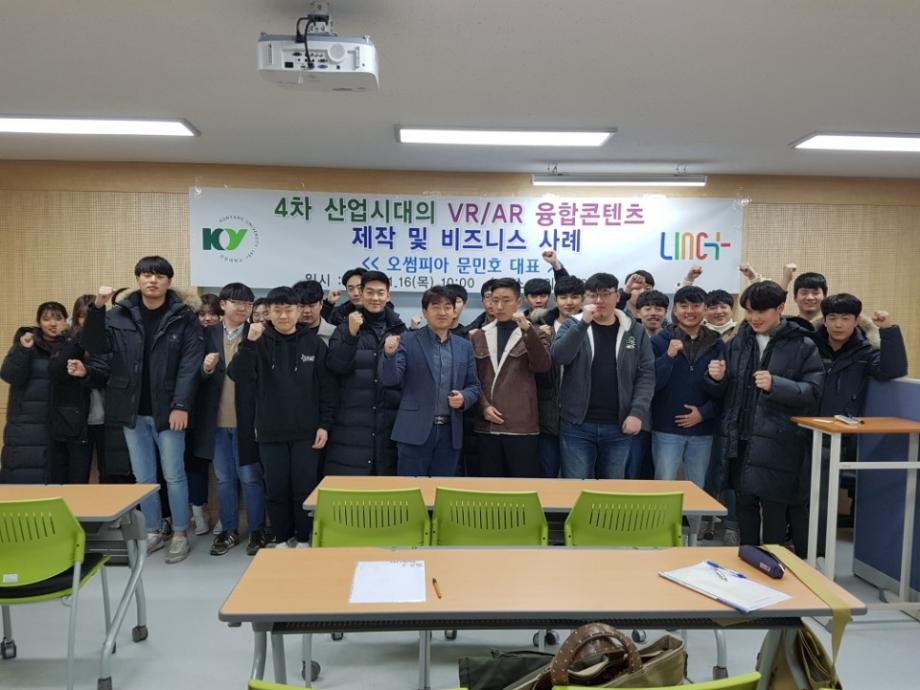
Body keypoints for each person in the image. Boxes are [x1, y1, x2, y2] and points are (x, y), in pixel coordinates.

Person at [81, 256, 204, 563]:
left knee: (174, 475)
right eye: (147, 275)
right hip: (132, 410)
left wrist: (181, 405)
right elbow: (94, 345)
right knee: (143, 476)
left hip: (169, 411)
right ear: (138, 279)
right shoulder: (119, 314)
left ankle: (179, 533)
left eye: (159, 275)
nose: (152, 280)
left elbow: (190, 365)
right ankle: (152, 529)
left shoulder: (184, 316)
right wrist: (97, 307)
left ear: (168, 281)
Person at [705, 281, 824, 557]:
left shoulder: (802, 344)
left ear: (780, 308)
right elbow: (723, 393)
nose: (754, 318)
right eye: (749, 311)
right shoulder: (738, 342)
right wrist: (716, 379)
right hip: (739, 437)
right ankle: (748, 560)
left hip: (778, 440)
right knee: (744, 504)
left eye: (761, 311)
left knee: (774, 509)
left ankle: (774, 564)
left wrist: (776, 385)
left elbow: (814, 392)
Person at [227, 286, 337, 546]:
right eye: (277, 310)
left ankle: (303, 538)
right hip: (270, 432)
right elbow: (238, 375)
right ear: (269, 313)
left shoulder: (313, 343)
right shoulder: (258, 341)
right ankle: (281, 538)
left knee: (304, 489)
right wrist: (249, 344)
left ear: (298, 311)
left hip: (307, 433)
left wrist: (324, 424)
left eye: (289, 310)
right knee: (275, 489)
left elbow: (328, 388)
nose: (284, 316)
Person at [810, 294, 908, 553]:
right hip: (804, 430)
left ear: (856, 321)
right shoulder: (810, 346)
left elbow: (894, 370)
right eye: (832, 318)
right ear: (824, 320)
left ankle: (818, 553)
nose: (838, 324)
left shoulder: (864, 352)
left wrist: (888, 331)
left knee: (823, 497)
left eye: (845, 318)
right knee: (800, 496)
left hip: (839, 435)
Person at [551, 272, 655, 479]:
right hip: (576, 424)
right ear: (585, 298)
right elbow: (560, 356)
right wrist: (583, 325)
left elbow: (646, 374)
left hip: (620, 424)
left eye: (606, 294)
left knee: (612, 490)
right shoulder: (572, 324)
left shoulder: (634, 330)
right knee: (576, 486)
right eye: (593, 295)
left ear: (617, 296)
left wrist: (637, 413)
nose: (599, 300)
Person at [193, 282, 268, 556]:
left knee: (250, 478)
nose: (244, 308)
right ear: (223, 304)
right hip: (215, 421)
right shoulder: (205, 334)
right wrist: (204, 369)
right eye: (238, 302)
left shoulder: (258, 334)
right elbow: (191, 375)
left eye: (248, 303)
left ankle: (257, 530)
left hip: (248, 420)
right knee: (224, 479)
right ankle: (229, 530)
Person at [379, 286, 481, 476]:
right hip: (413, 430)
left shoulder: (464, 346)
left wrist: (464, 398)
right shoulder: (408, 340)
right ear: (425, 311)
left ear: (454, 311)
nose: (442, 312)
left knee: (443, 489)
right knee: (411, 489)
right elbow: (390, 380)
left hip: (450, 433)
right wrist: (389, 356)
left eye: (447, 307)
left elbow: (474, 386)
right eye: (436, 307)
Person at [650, 286, 726, 534]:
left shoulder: (717, 343)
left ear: (705, 309)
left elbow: (726, 390)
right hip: (666, 428)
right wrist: (668, 357)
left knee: (697, 487)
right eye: (684, 306)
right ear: (675, 309)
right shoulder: (660, 341)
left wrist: (704, 413)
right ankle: (660, 534)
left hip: (703, 430)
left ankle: (693, 538)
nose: (689, 311)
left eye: (696, 306)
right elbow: (650, 383)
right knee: (663, 485)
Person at [325, 271, 406, 476]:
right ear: (361, 294)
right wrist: (351, 334)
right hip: (351, 425)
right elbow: (336, 366)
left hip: (389, 423)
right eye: (369, 292)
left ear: (388, 296)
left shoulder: (400, 330)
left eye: (380, 293)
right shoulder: (344, 328)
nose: (375, 298)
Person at [470, 278, 551, 477]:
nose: (499, 306)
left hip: (521, 426)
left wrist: (527, 331)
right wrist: (483, 406)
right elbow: (471, 378)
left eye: (506, 300)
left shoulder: (536, 333)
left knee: (522, 484)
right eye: (494, 300)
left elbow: (542, 366)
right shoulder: (478, 336)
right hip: (487, 425)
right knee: (488, 485)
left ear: (518, 302)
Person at [1, 302, 72, 483]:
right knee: (22, 477)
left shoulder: (70, 346)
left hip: (58, 425)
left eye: (58, 318)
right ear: (38, 322)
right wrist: (23, 350)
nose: (52, 324)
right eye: (46, 319)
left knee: (56, 480)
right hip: (26, 424)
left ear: (66, 321)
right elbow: (9, 375)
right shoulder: (26, 344)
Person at [532, 275, 585, 478]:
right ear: (556, 299)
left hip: (581, 416)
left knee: (579, 475)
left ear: (583, 299)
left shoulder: (592, 325)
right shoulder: (538, 325)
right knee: (548, 473)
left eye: (575, 297)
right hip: (547, 413)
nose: (569, 302)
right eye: (563, 297)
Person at [185, 293, 223, 535]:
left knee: (225, 469)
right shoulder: (189, 336)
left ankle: (225, 515)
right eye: (202, 314)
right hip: (193, 411)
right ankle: (198, 513)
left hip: (222, 409)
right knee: (195, 465)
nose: (207, 318)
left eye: (212, 313)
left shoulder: (228, 336)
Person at [293, 279, 336, 344]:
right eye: (301, 306)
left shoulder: (335, 333)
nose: (307, 311)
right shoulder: (284, 332)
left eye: (312, 306)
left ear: (321, 304)